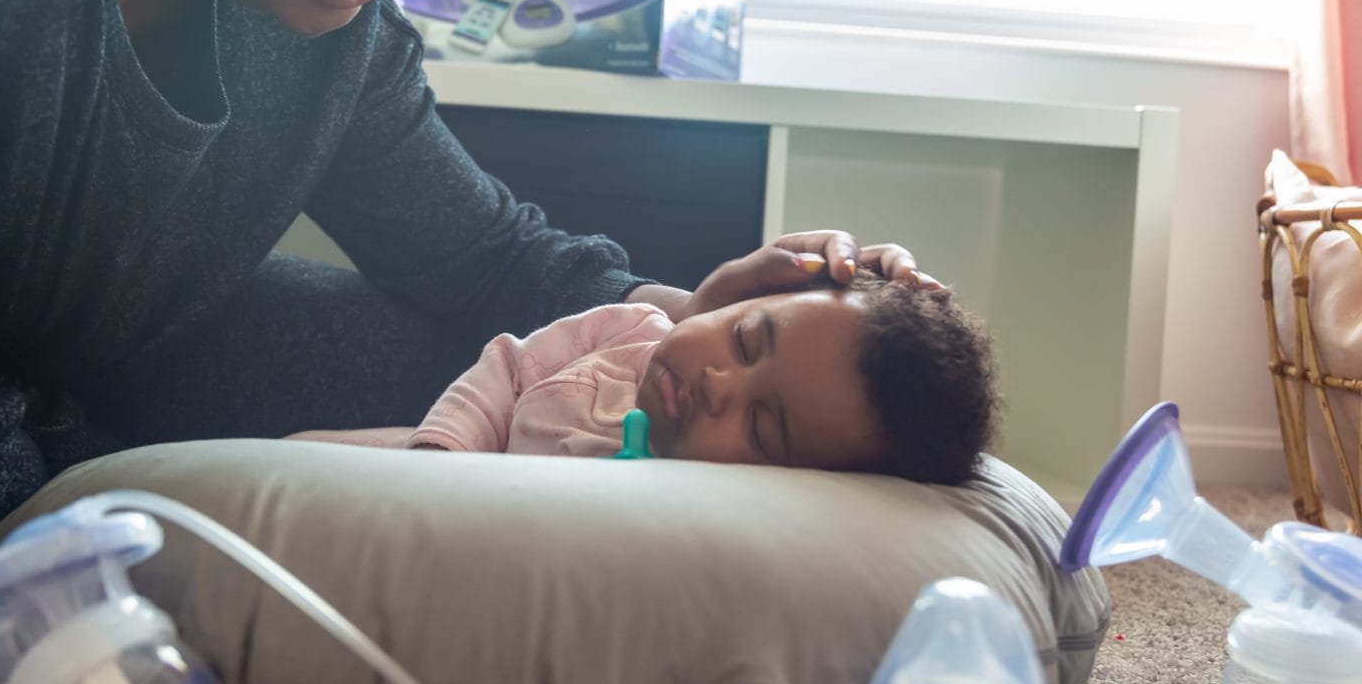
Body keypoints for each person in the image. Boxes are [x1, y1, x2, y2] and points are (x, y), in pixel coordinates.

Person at [0, 0, 940, 613]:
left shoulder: (330, 33)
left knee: (513, 401)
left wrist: (693, 310)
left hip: (116, 349)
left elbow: (481, 257)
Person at [289, 266, 996, 484]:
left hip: (476, 543)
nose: (721, 383)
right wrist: (443, 455)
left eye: (759, 424)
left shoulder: (688, 502)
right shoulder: (631, 332)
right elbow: (509, 365)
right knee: (290, 457)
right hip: (441, 458)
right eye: (746, 339)